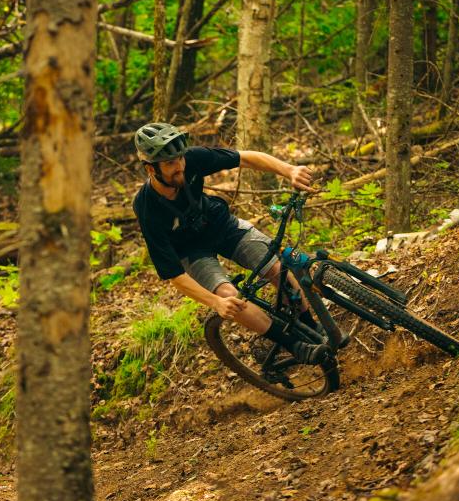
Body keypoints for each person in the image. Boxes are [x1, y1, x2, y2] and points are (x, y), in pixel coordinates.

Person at [131, 122, 332, 365]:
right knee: (230, 297)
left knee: (277, 268)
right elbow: (173, 274)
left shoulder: (192, 159)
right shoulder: (147, 208)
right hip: (192, 252)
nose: (180, 167)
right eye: (170, 163)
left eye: (180, 159)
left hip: (221, 225)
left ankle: (311, 327)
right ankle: (295, 346)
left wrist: (288, 170)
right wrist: (216, 302)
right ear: (151, 170)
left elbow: (245, 158)